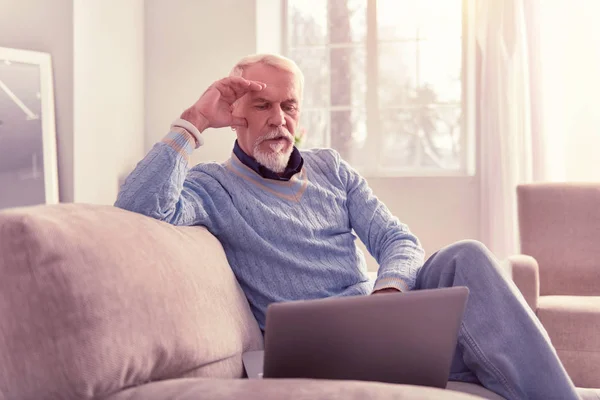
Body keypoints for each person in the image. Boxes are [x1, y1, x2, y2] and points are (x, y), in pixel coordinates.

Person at [115, 53, 580, 400]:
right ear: (235, 114)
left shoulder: (331, 168)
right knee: (480, 348)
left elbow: (397, 239)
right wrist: (195, 120)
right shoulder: (212, 186)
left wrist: (390, 294)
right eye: (262, 106)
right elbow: (136, 208)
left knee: (468, 256)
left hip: (382, 321)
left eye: (290, 106)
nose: (279, 119)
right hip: (321, 348)